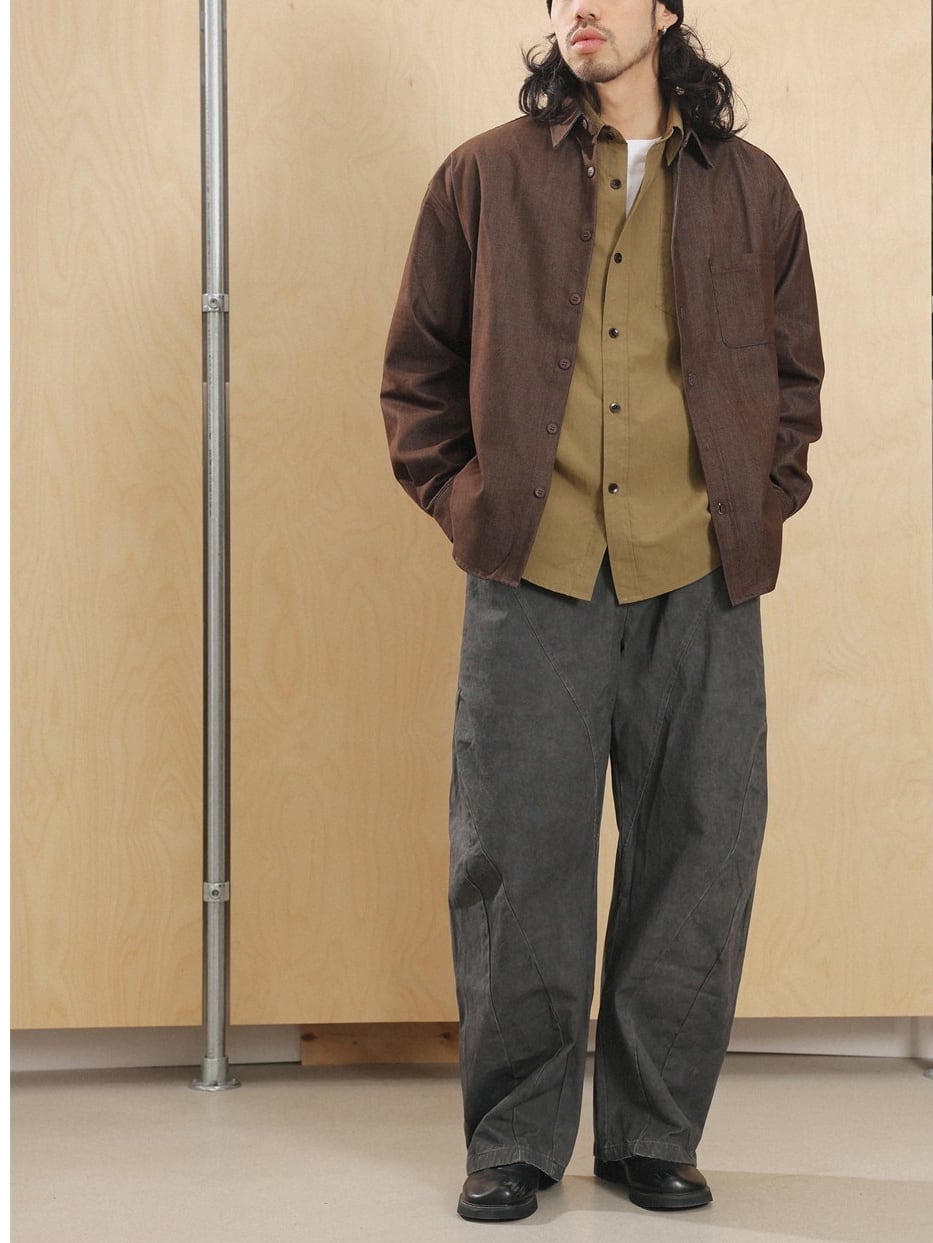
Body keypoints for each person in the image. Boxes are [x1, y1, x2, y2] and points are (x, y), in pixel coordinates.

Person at [381, 0, 823, 1223]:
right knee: (514, 858)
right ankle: (513, 1141)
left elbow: (794, 377)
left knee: (697, 851)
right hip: (535, 572)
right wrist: (469, 505)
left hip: (699, 573)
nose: (580, 5)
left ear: (666, 11)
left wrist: (756, 503)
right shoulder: (481, 179)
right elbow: (417, 373)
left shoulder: (752, 190)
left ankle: (651, 1134)